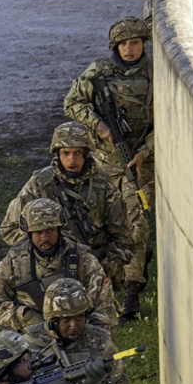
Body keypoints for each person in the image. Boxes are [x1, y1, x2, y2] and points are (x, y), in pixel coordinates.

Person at [64, 16, 154, 320]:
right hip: (104, 163)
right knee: (101, 226)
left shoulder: (155, 75)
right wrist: (98, 124)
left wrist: (144, 153)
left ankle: (132, 288)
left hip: (140, 164)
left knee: (136, 221)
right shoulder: (99, 72)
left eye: (135, 43)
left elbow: (169, 119)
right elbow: (72, 103)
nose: (129, 49)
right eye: (124, 44)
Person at [0, 121, 133, 285]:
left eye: (77, 153)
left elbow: (123, 237)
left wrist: (106, 268)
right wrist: (47, 238)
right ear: (57, 155)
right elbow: (9, 230)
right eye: (66, 153)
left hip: (94, 270)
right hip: (47, 271)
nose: (72, 159)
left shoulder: (103, 186)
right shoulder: (39, 184)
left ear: (87, 154)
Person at [0, 197, 117, 331]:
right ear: (29, 234)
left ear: (59, 230)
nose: (45, 237)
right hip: (30, 337)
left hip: (75, 335)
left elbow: (103, 307)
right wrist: (25, 316)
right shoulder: (13, 263)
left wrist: (88, 337)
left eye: (50, 231)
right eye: (38, 232)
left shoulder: (83, 260)